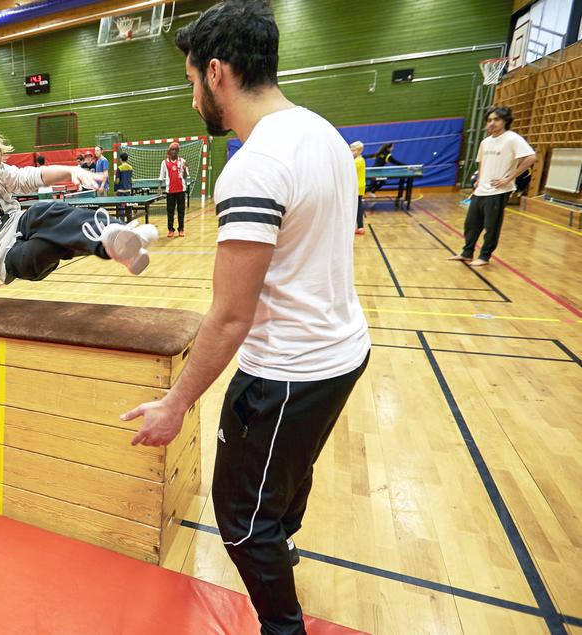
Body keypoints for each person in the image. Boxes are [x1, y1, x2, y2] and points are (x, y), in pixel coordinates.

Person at [121, 3, 371, 633]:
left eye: (188, 82)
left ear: (216, 73)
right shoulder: (322, 132)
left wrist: (176, 402)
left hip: (288, 368)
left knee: (240, 518)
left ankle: (281, 627)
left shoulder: (253, 167)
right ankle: (285, 543)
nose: (191, 97)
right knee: (289, 475)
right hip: (342, 352)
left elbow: (231, 316)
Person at [0, 126, 158, 310]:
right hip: (11, 258)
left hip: (22, 225)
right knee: (49, 242)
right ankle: (114, 244)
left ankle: (125, 243)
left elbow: (34, 176)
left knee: (47, 210)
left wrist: (72, 172)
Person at [448, 106, 535, 267]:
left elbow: (531, 157)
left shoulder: (512, 138)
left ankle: (484, 256)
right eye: (489, 120)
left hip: (499, 190)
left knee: (491, 226)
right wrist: (479, 180)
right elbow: (481, 163)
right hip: (481, 190)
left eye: (496, 120)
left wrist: (509, 178)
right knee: (471, 223)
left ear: (505, 121)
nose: (492, 123)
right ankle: (467, 253)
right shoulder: (485, 142)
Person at [160, 142, 190, 238]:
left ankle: (181, 229)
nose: (173, 151)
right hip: (170, 191)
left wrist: (185, 169)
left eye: (175, 149)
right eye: (172, 149)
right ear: (169, 151)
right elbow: (161, 176)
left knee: (181, 211)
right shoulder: (164, 162)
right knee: (170, 211)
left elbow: (185, 177)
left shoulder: (182, 161)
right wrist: (160, 188)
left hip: (181, 189)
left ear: (178, 151)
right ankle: (170, 230)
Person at [351, 141, 366, 235]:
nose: (351, 151)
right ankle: (358, 226)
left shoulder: (359, 160)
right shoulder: (356, 159)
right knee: (356, 206)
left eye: (353, 150)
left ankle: (360, 227)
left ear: (359, 151)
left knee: (358, 207)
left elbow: (348, 168)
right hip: (355, 186)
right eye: (351, 149)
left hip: (358, 187)